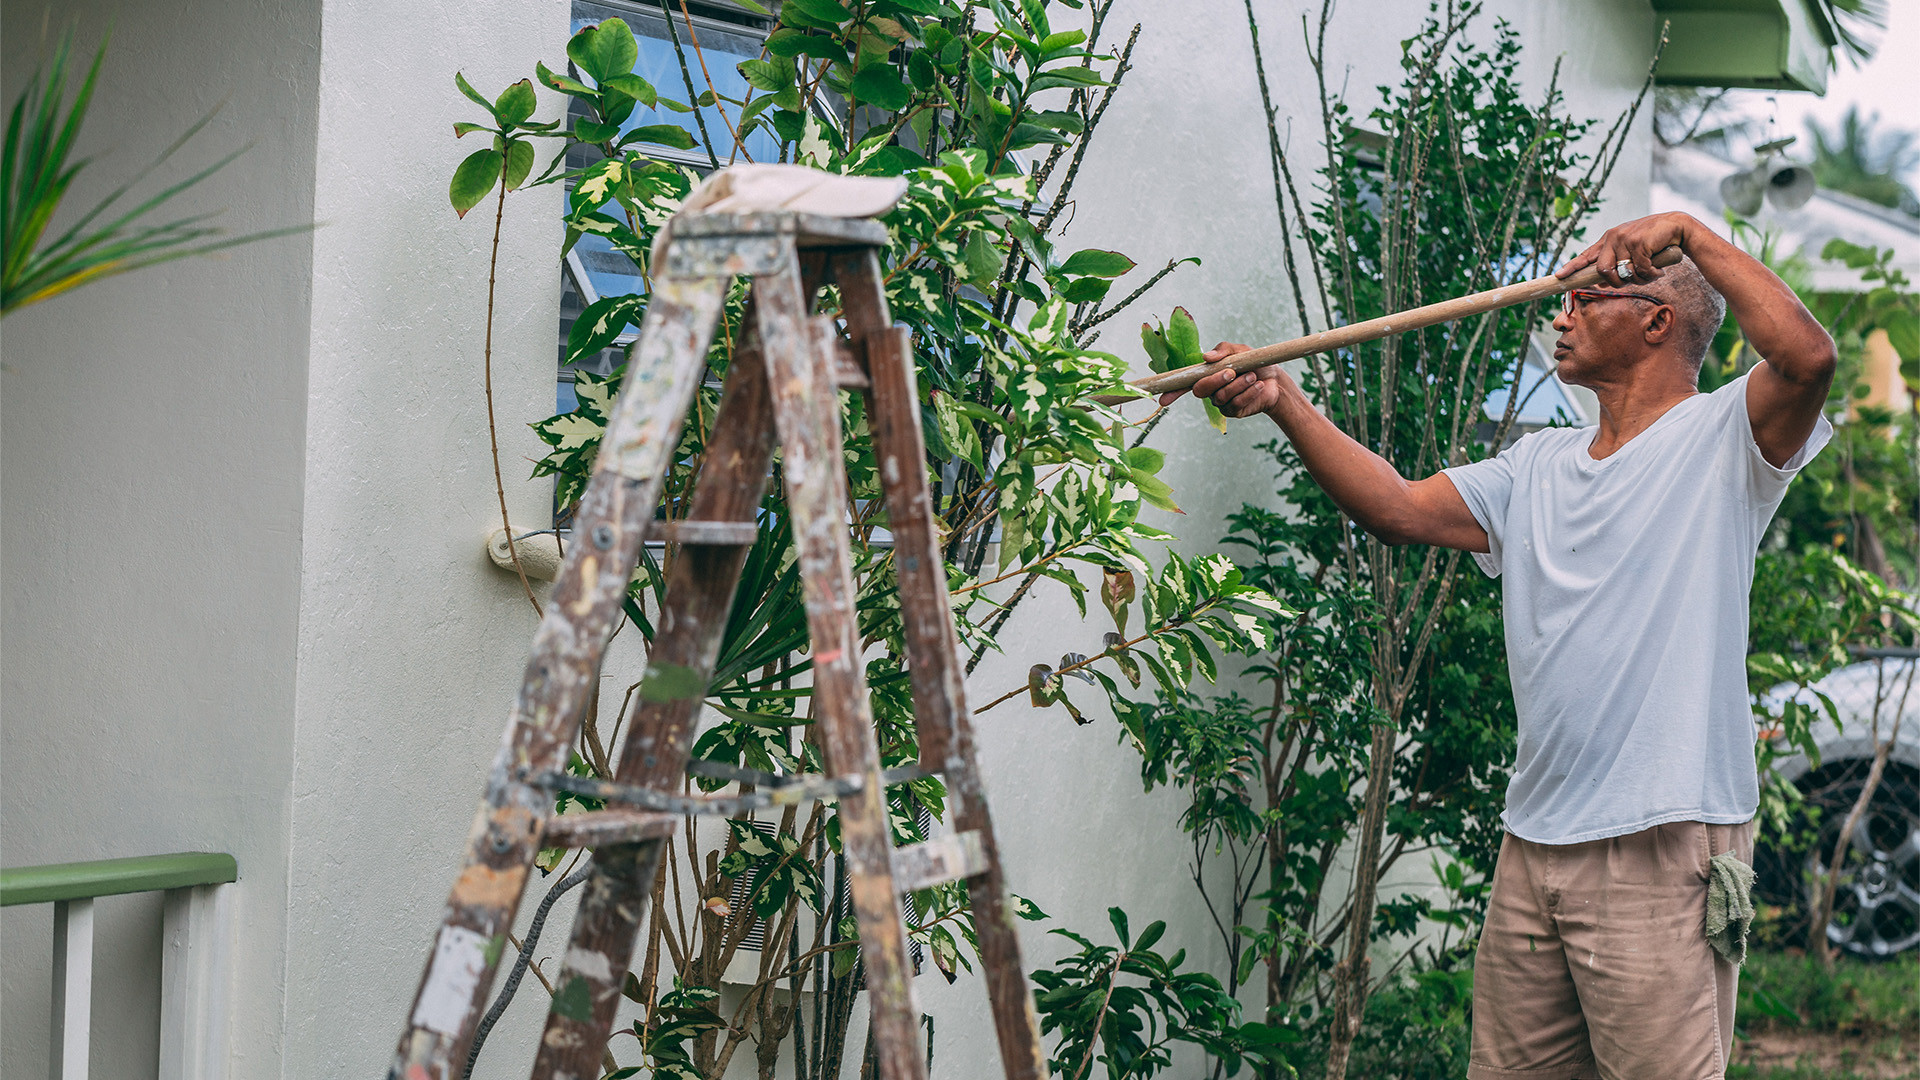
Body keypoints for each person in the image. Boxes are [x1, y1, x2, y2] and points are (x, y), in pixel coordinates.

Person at [1163, 211, 1834, 1080]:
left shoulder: (1723, 442)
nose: (1561, 314)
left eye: (1587, 298)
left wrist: (1689, 235)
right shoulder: (1535, 467)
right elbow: (1397, 507)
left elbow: (1807, 358)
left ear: (1658, 320)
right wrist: (1284, 398)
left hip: (1662, 843)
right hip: (1535, 846)